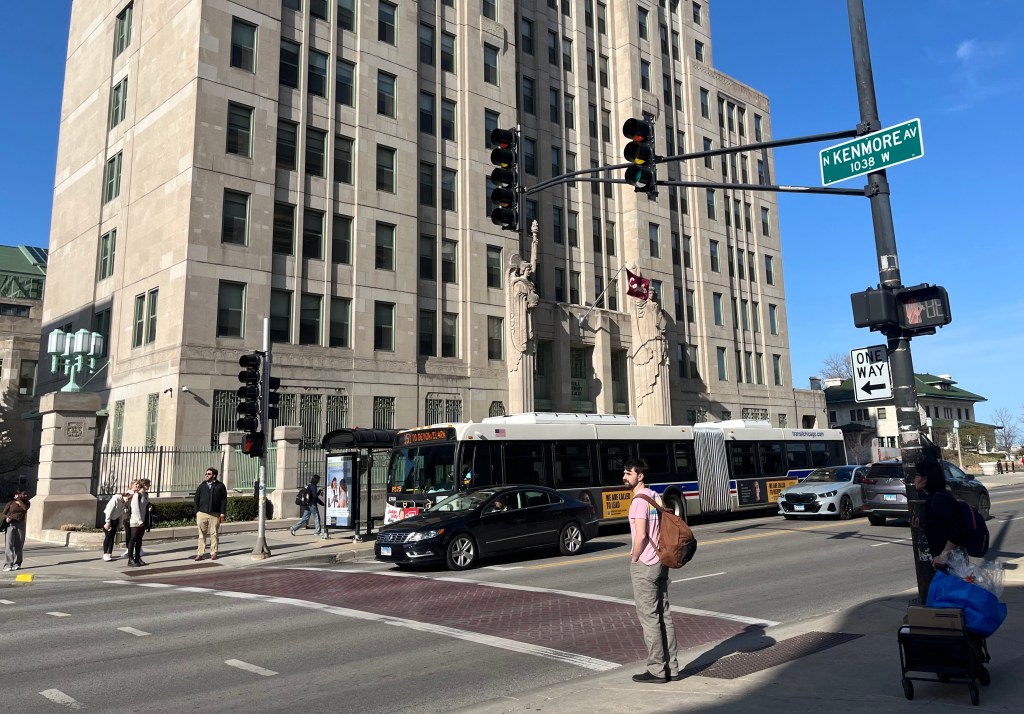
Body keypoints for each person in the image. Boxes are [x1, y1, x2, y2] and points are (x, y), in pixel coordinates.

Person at [623, 457, 680, 684]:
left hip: (645, 563)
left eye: (628, 473)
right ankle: (672, 668)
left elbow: (641, 535)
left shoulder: (638, 501)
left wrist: (634, 557)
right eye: (625, 473)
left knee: (649, 618)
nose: (624, 476)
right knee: (664, 615)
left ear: (640, 476)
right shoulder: (656, 496)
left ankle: (657, 669)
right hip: (662, 561)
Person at [912, 460, 968, 568]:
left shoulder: (939, 499)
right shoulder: (933, 497)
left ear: (925, 478)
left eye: (917, 475)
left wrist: (943, 555)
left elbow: (958, 529)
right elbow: (940, 526)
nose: (915, 478)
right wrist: (923, 525)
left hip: (952, 562)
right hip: (945, 561)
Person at [194, 467, 228, 561]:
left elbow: (224, 500)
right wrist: (197, 512)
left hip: (215, 514)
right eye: (206, 474)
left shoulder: (220, 486)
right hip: (202, 513)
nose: (206, 475)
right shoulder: (202, 486)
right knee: (201, 535)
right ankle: (200, 553)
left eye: (208, 474)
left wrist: (222, 513)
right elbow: (196, 499)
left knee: (214, 534)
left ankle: (213, 553)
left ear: (214, 475)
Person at [2, 489, 31, 572]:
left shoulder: (26, 503)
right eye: (24, 494)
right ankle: (8, 564)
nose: (26, 495)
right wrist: (7, 517)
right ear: (18, 494)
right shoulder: (10, 503)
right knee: (9, 545)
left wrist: (18, 500)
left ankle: (17, 563)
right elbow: (3, 513)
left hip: (20, 525)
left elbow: (25, 508)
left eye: (26, 494)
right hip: (10, 525)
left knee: (19, 545)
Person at [126, 479, 152, 567]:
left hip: (143, 520)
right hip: (135, 521)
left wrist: (150, 507)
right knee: (133, 539)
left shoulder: (146, 495)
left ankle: (137, 557)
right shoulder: (137, 495)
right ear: (144, 485)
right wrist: (139, 521)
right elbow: (135, 509)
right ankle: (130, 559)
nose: (149, 486)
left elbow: (147, 504)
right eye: (148, 484)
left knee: (139, 540)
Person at [102, 491, 132, 561]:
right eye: (128, 498)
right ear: (125, 495)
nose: (128, 500)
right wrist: (107, 522)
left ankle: (110, 553)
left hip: (116, 520)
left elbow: (121, 514)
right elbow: (109, 511)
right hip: (109, 519)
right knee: (108, 536)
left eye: (129, 499)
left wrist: (120, 525)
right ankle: (105, 553)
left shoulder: (124, 502)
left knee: (112, 536)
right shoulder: (116, 499)